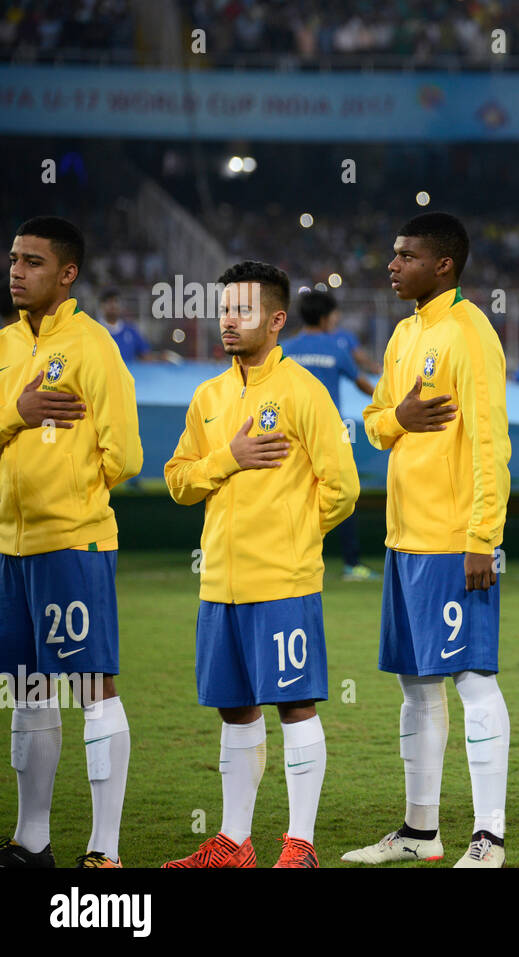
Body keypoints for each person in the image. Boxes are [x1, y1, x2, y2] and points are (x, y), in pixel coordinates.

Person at [162, 261, 359, 869]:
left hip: (283, 579)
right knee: (235, 708)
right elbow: (178, 481)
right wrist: (229, 457)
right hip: (220, 581)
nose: (228, 319)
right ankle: (234, 843)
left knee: (294, 703)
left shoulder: (302, 390)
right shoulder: (209, 396)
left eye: (243, 310)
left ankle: (300, 845)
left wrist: (295, 534)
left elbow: (343, 486)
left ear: (276, 321)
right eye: (225, 308)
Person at [347, 212, 512, 869]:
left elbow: (492, 444)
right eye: (393, 253)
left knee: (473, 679)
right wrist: (400, 415)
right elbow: (375, 423)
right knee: (417, 687)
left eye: (406, 255)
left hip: (453, 540)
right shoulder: (404, 333)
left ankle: (489, 835)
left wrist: (481, 536)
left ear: (443, 264)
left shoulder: (471, 334)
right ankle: (420, 830)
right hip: (404, 538)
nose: (393, 264)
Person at [0, 217, 142, 868]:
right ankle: (32, 842)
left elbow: (127, 455)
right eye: (13, 259)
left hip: (71, 543)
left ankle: (104, 850)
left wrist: (69, 493)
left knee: (91, 686)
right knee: (27, 690)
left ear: (67, 274)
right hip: (10, 546)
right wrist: (17, 415)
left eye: (32, 261)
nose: (16, 271)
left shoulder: (93, 347)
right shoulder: (3, 346)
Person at [281, 289, 376, 582]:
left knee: (289, 495)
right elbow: (362, 383)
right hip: (328, 434)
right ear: (325, 318)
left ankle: (287, 562)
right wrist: (391, 401)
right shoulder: (336, 349)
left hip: (290, 433)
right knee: (342, 493)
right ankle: (351, 565)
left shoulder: (284, 349)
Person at [99, 290, 159, 364]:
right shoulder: (93, 331)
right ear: (101, 306)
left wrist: (160, 358)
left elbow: (146, 355)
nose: (113, 305)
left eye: (116, 301)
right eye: (108, 301)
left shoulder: (131, 331)